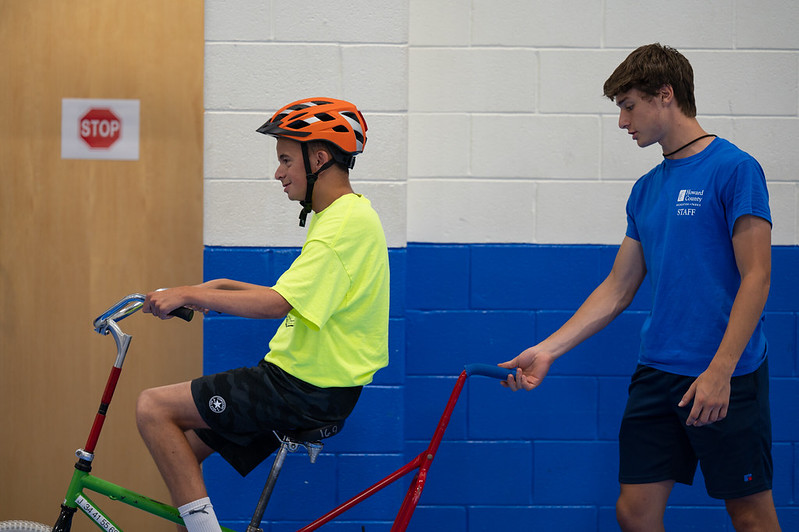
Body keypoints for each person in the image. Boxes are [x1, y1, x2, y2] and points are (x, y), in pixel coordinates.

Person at [499, 44, 780, 532]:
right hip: (657, 372)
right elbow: (618, 287)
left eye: (629, 106)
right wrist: (547, 349)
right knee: (634, 513)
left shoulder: (735, 169)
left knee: (750, 516)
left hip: (726, 375)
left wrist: (720, 371)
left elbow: (757, 277)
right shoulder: (646, 188)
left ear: (665, 94)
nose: (623, 121)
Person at [136, 97, 390, 532]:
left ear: (319, 159)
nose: (278, 172)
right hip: (308, 386)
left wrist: (189, 293)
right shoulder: (343, 216)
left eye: (286, 160)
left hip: (300, 388)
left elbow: (277, 304)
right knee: (185, 452)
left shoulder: (342, 225)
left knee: (152, 407)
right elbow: (290, 295)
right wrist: (213, 288)